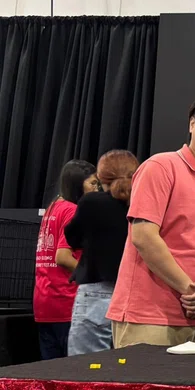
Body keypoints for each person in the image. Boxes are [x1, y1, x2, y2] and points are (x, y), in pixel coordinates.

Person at [106, 93, 195, 348]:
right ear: (192, 124)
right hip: (148, 314)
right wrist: (190, 290)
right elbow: (144, 237)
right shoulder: (160, 166)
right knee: (142, 388)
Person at [65, 150, 139, 356]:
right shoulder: (145, 204)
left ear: (100, 176)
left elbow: (73, 238)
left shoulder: (91, 203)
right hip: (136, 296)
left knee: (85, 371)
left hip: (97, 293)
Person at [33, 160, 98, 359]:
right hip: (65, 302)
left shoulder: (54, 207)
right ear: (79, 185)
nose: (97, 189)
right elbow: (62, 256)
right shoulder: (72, 210)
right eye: (93, 184)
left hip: (44, 302)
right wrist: (93, 275)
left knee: (52, 374)